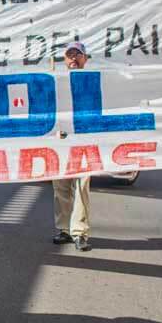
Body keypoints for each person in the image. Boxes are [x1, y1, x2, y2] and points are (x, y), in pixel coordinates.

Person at [52, 42, 92, 252]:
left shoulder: (92, 82)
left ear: (86, 59)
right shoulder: (56, 82)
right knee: (61, 189)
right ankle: (64, 229)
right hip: (60, 142)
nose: (74, 58)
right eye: (70, 55)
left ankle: (79, 232)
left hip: (84, 142)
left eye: (78, 54)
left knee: (81, 187)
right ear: (64, 60)